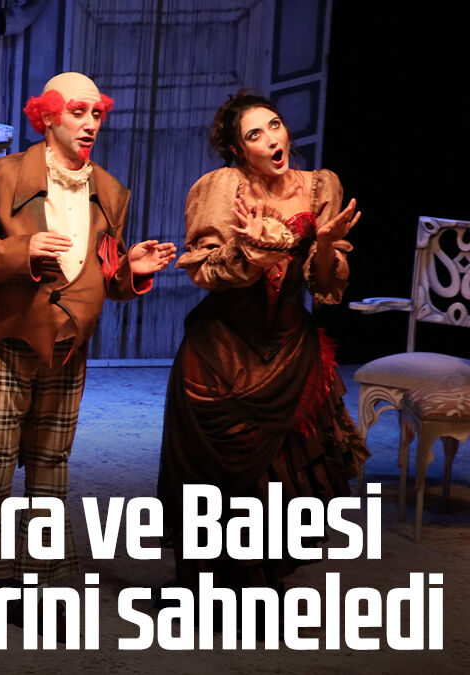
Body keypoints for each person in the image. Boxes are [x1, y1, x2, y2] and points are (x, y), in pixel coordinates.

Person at [0, 72, 177, 590]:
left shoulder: (110, 191)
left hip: (69, 349)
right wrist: (20, 250)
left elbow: (105, 275)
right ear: (47, 116)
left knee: (51, 469)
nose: (90, 123)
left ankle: (42, 581)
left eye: (97, 113)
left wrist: (131, 271)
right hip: (8, 342)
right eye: (77, 111)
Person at [158, 91, 369, 595]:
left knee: (281, 478)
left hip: (290, 351)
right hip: (222, 353)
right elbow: (204, 272)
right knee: (214, 481)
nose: (272, 139)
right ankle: (207, 589)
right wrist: (250, 251)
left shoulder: (320, 187)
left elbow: (325, 285)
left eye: (274, 125)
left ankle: (259, 586)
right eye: (255, 134)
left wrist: (322, 243)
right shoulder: (222, 189)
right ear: (238, 150)